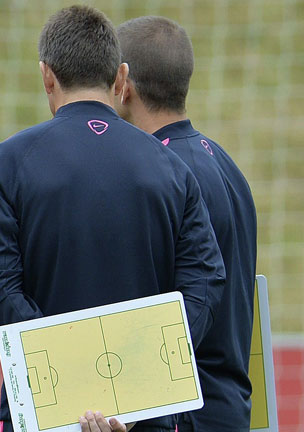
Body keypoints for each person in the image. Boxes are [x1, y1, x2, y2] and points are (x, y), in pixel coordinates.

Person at [0, 5, 226, 432]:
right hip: (145, 411)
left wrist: (72, 377)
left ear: (47, 76)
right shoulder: (170, 166)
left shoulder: (7, 162)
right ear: (120, 78)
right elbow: (205, 281)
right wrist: (138, 381)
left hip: (45, 408)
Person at [116, 16, 257, 432]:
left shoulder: (158, 174)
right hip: (229, 408)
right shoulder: (225, 163)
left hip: (182, 414)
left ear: (123, 84)